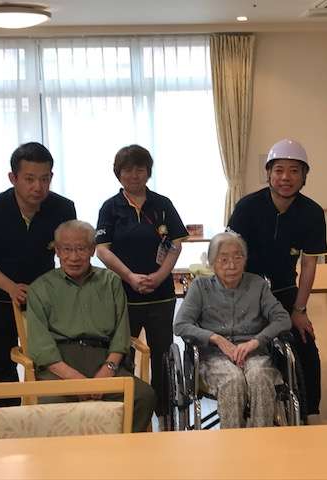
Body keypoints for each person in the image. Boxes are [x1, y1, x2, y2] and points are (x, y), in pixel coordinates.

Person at [0, 142, 76, 407]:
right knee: (0, 364)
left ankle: (48, 415)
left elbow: (70, 252)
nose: (38, 187)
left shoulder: (63, 209)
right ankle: (5, 421)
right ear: (13, 178)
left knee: (48, 359)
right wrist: (11, 288)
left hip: (44, 300)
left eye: (44, 179)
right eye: (29, 179)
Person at [227, 139, 327, 417]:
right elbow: (230, 254)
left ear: (304, 176)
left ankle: (306, 412)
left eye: (294, 171)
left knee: (305, 344)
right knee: (246, 348)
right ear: (269, 173)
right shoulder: (247, 207)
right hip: (244, 291)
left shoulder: (312, 212)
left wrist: (300, 309)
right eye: (279, 170)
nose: (286, 177)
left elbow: (308, 264)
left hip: (284, 291)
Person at [26, 220, 156, 432]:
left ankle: (119, 449)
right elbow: (40, 346)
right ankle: (70, 454)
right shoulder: (40, 287)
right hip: (60, 367)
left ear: (93, 250)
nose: (74, 257)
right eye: (67, 249)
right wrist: (76, 380)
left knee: (143, 396)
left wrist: (108, 370)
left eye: (81, 249)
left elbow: (121, 334)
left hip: (104, 362)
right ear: (57, 251)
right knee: (51, 405)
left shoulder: (111, 282)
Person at [95, 145, 188, 428]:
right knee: (123, 352)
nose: (134, 175)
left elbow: (175, 244)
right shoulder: (110, 207)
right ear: (118, 174)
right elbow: (102, 250)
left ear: (148, 172)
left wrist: (160, 276)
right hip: (125, 295)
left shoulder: (162, 204)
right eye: (127, 170)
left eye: (140, 169)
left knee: (162, 354)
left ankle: (164, 411)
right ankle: (128, 409)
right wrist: (129, 276)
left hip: (161, 295)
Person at [174, 232, 291, 428]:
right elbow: (180, 324)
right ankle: (232, 441)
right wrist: (216, 338)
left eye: (238, 257)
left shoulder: (258, 285)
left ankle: (261, 439)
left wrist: (256, 341)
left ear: (245, 260)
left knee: (260, 377)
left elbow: (283, 319)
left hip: (255, 354)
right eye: (224, 259)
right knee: (232, 380)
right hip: (214, 357)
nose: (232, 265)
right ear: (212, 263)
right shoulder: (201, 287)